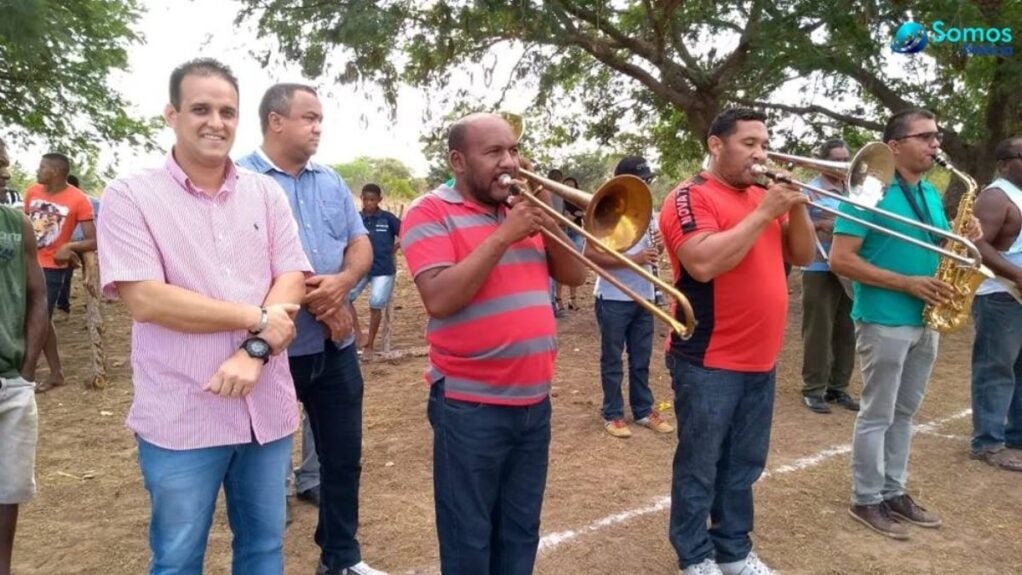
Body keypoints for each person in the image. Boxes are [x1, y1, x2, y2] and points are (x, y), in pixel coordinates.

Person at [97, 58, 312, 574]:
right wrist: (257, 318)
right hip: (183, 414)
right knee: (177, 558)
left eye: (227, 111)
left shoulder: (266, 193)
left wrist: (254, 350)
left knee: (264, 549)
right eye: (200, 109)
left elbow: (292, 278)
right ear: (171, 114)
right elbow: (147, 298)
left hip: (266, 408)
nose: (215, 121)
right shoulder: (130, 197)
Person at [400, 112, 585, 574]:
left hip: (534, 402)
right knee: (469, 537)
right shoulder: (429, 212)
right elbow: (440, 298)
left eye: (514, 150)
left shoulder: (522, 212)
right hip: (469, 406)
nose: (511, 162)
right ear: (458, 161)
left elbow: (575, 274)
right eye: (494, 152)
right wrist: (505, 235)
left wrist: (550, 221)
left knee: (520, 530)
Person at [659, 107, 815, 575]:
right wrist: (767, 211)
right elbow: (703, 263)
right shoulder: (690, 196)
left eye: (764, 144)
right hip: (709, 357)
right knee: (700, 464)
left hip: (760, 358)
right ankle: (694, 555)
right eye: (749, 144)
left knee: (744, 464)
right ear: (715, 144)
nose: (760, 154)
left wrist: (799, 206)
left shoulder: (762, 197)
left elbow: (803, 256)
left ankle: (733, 549)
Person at [236, 83, 384, 575]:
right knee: (259, 475)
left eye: (320, 118)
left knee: (343, 460)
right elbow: (241, 268)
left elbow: (359, 246)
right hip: (271, 352)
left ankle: (342, 557)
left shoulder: (330, 180)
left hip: (334, 349)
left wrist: (342, 284)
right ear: (276, 121)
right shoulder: (240, 181)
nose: (318, 127)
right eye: (308, 117)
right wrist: (321, 303)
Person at [830, 108, 981, 539]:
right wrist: (906, 283)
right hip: (885, 317)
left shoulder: (931, 193)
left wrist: (961, 236)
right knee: (877, 412)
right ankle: (866, 498)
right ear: (894, 146)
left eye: (937, 136)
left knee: (905, 412)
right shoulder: (867, 193)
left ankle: (893, 490)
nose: (936, 144)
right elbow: (841, 259)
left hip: (925, 318)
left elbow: (932, 247)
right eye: (926, 137)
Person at [587, 156, 674, 438]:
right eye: (641, 181)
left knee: (641, 358)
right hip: (613, 296)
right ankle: (612, 413)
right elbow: (589, 256)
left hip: (644, 296)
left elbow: (651, 257)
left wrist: (657, 249)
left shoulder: (651, 213)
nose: (646, 185)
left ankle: (643, 410)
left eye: (648, 181)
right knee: (612, 359)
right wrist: (633, 259)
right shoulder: (602, 212)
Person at [0, 136, 48, 575]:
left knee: (8, 487)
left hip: (11, 381)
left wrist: (27, 367)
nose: (4, 170)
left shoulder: (17, 223)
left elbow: (37, 295)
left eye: (5, 161)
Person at [968, 135, 1022, 472]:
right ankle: (987, 442)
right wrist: (1017, 275)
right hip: (1000, 294)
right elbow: (975, 245)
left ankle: (1016, 434)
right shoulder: (995, 197)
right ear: (1004, 163)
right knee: (995, 367)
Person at [22, 153, 95, 392]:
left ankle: (27, 374)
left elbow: (93, 240)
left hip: (53, 269)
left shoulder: (79, 200)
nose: (37, 170)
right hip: (25, 263)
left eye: (42, 167)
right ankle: (55, 373)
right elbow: (24, 225)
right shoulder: (33, 192)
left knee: (37, 319)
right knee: (40, 319)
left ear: (55, 171)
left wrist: (69, 246)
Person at [799, 140, 859, 414]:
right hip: (819, 267)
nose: (843, 164)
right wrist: (822, 223)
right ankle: (814, 389)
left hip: (849, 267)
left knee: (847, 329)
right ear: (822, 162)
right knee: (818, 331)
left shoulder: (855, 191)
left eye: (846, 159)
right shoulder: (809, 189)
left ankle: (839, 387)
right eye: (836, 160)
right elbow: (794, 224)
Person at [349, 183, 401, 360]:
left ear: (379, 200)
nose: (369, 203)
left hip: (383, 268)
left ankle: (370, 344)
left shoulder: (387, 219)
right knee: (346, 297)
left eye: (372, 199)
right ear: (361, 199)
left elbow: (408, 231)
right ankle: (358, 335)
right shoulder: (355, 219)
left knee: (376, 302)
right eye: (366, 199)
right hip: (360, 267)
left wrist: (395, 247)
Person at [56, 175, 102, 315]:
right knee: (65, 276)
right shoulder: (60, 204)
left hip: (89, 246)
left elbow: (104, 222)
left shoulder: (93, 203)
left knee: (90, 278)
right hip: (70, 245)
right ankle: (63, 306)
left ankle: (92, 310)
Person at [555, 176, 585, 310]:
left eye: (572, 185)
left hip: (576, 233)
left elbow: (585, 213)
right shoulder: (558, 199)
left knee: (576, 264)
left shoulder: (579, 199)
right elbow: (559, 218)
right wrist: (573, 216)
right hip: (563, 232)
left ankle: (573, 299)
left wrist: (576, 216)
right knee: (561, 266)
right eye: (567, 184)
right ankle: (558, 299)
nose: (570, 187)